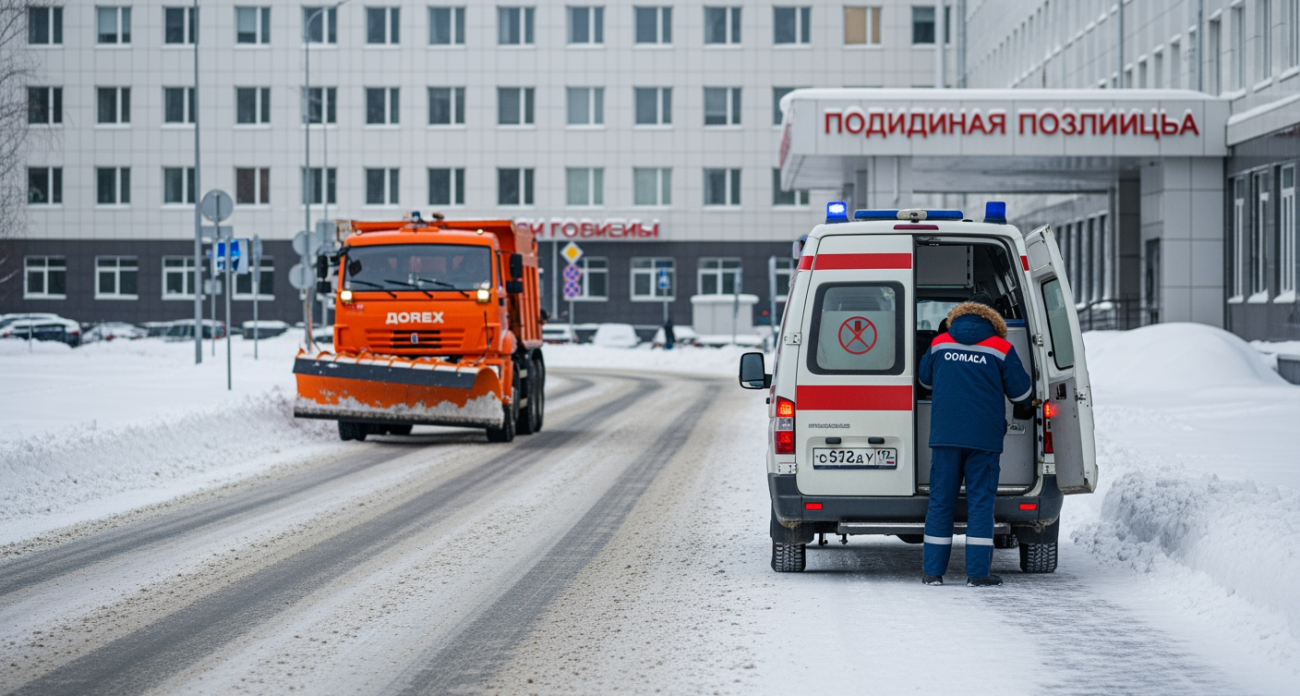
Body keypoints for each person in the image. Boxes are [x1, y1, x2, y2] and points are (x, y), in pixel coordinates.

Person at [917, 293, 1034, 587]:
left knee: (941, 503)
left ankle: (933, 573)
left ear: (959, 314)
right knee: (981, 504)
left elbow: (924, 380)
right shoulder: (1001, 347)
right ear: (993, 318)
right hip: (984, 439)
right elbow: (1021, 394)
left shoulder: (939, 342)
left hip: (945, 436)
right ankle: (978, 575)